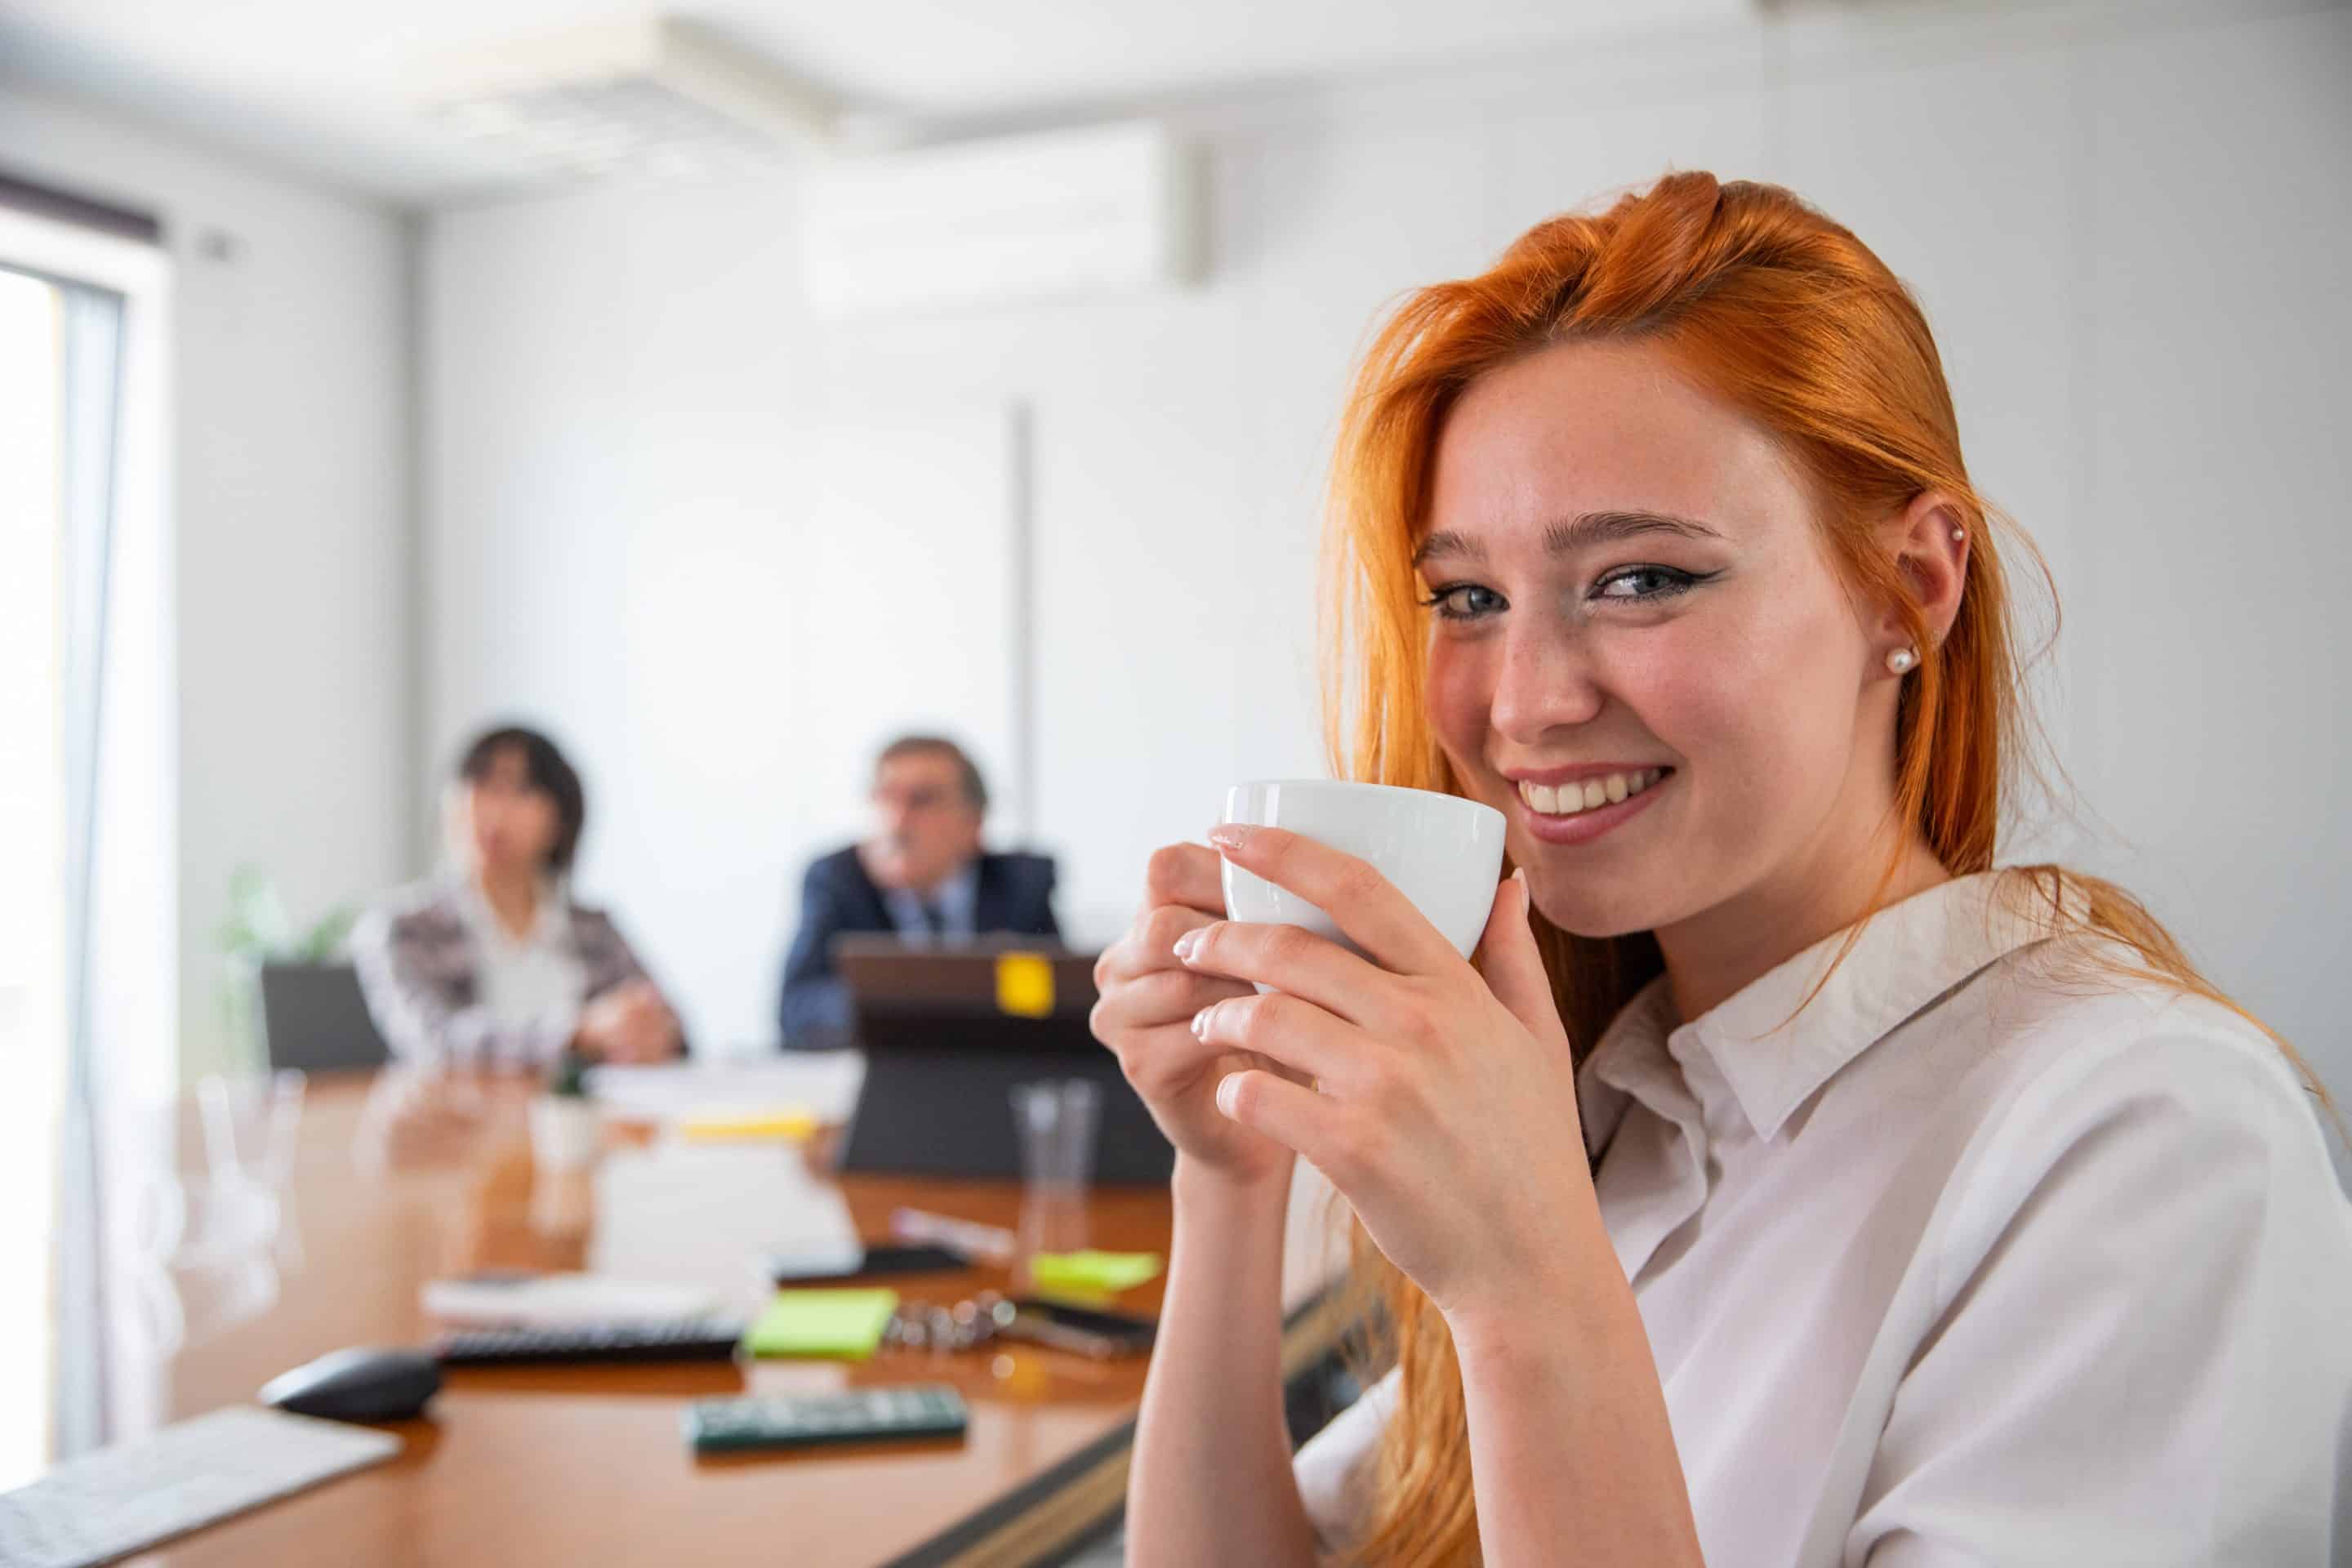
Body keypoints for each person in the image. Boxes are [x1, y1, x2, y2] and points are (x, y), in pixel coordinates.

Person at [1090, 172, 2352, 1566]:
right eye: (1469, 599)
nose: (1523, 704)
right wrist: (1230, 1179)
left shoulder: (2148, 1132)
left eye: (1641, 579)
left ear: (1911, 587)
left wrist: (1529, 1298)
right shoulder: (1623, 1100)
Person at [353, 724, 682, 1069]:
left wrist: (649, 1035)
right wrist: (578, 1034)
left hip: (582, 1120)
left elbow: (676, 1034)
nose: (494, 810)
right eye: (478, 784)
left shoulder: (594, 929)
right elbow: (435, 1042)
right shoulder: (404, 927)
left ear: (560, 818)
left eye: (521, 790)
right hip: (457, 1120)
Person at [777, 734, 1059, 1047]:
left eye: (922, 801)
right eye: (885, 797)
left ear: (974, 823)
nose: (897, 822)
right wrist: (924, 998)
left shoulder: (1020, 884)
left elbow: (1054, 999)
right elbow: (797, 1008)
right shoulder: (836, 880)